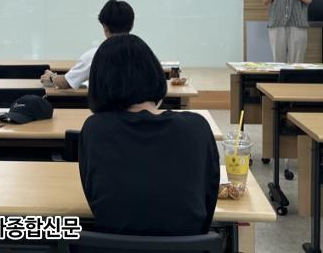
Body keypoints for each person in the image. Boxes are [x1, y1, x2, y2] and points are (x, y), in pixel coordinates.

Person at [79, 34, 219, 236]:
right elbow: (208, 201)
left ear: (99, 83)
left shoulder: (95, 129)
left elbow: (94, 199)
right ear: (154, 74)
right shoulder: (197, 128)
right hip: (189, 247)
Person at [39, 0, 134, 89]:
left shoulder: (95, 55)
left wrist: (52, 77)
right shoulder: (140, 52)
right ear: (132, 25)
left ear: (105, 27)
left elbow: (66, 82)